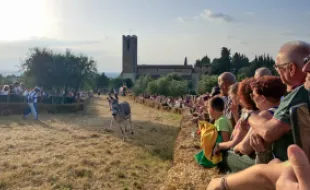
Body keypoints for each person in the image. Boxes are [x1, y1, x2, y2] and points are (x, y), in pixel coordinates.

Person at [248, 41, 310, 161]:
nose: (277, 72)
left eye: (278, 67)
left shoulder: (299, 94)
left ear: (291, 68)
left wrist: (250, 116)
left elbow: (268, 132)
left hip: (291, 165)